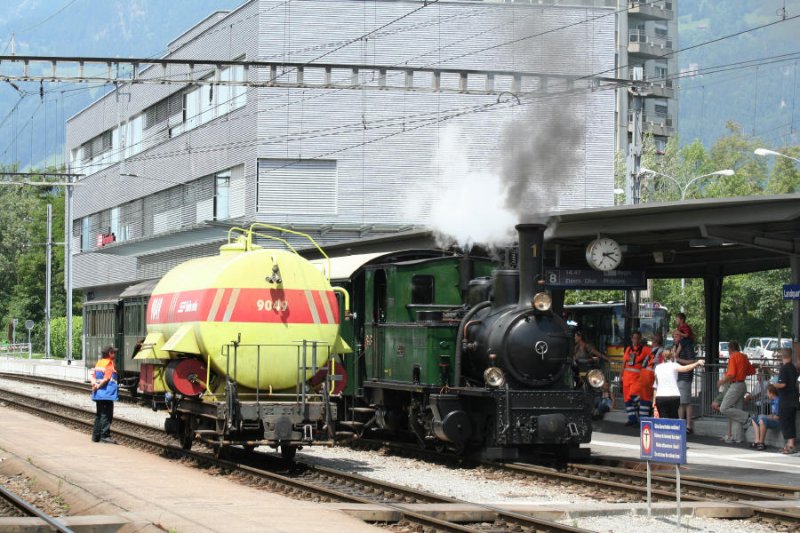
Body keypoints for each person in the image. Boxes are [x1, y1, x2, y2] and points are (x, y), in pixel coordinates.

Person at [718, 340, 756, 444]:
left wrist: (721, 381)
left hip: (735, 385)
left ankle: (747, 417)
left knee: (724, 408)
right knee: (736, 411)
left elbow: (731, 374)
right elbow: (751, 371)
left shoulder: (733, 357)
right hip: (742, 384)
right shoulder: (743, 356)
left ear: (730, 349)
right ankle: (738, 437)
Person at [654, 349, 705, 419]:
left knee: (663, 419)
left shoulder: (657, 368)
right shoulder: (674, 365)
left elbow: (657, 383)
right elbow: (686, 368)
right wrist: (697, 363)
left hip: (660, 396)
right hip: (673, 395)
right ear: (672, 356)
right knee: (674, 418)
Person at [622, 331, 651, 426]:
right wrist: (621, 375)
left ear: (640, 339)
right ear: (631, 338)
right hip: (626, 378)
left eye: (637, 338)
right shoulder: (628, 349)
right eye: (634, 338)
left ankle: (647, 407)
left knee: (634, 395)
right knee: (627, 399)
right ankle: (632, 419)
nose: (635, 340)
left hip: (637, 378)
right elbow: (624, 363)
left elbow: (653, 356)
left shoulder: (645, 349)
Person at [91, 345, 120, 444]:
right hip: (106, 394)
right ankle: (105, 436)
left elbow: (93, 376)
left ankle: (96, 436)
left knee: (99, 414)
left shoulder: (99, 362)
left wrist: (94, 385)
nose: (115, 354)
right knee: (106, 415)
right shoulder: (109, 363)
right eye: (113, 352)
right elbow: (107, 378)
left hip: (98, 394)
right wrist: (98, 386)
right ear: (109, 353)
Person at [774, 348, 799, 454]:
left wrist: (773, 385)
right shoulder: (793, 368)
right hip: (793, 399)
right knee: (791, 422)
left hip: (786, 400)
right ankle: (790, 444)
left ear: (782, 356)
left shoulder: (784, 368)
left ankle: (790, 445)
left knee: (785, 422)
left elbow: (783, 384)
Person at [673, 331, 696, 433]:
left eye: (676, 336)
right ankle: (681, 423)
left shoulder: (687, 347)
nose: (674, 338)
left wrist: (678, 359)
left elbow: (691, 361)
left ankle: (688, 425)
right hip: (678, 377)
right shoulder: (676, 347)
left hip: (685, 377)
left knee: (685, 402)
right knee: (681, 402)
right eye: (674, 336)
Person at [750, 384, 780, 451]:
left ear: (772, 393)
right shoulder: (773, 400)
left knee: (762, 420)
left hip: (778, 422)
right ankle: (757, 441)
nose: (767, 394)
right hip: (773, 419)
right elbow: (772, 414)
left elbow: (777, 417)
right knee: (754, 419)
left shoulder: (778, 401)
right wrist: (765, 416)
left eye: (767, 393)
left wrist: (765, 417)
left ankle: (761, 443)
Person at [638, 343, 658, 419]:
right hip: (646, 377)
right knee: (645, 398)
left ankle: (644, 420)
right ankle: (644, 419)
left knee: (646, 399)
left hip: (648, 377)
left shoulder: (651, 351)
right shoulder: (650, 351)